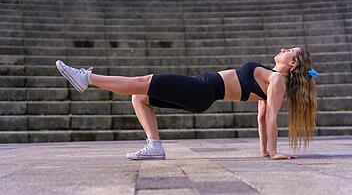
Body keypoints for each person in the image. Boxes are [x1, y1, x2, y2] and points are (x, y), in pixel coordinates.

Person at [55, 47, 318, 160]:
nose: (283, 50)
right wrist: (264, 150)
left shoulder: (276, 81)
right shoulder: (271, 79)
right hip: (201, 91)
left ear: (292, 64)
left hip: (202, 89)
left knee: (142, 81)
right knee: (140, 96)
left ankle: (86, 77)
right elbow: (261, 117)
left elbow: (270, 116)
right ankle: (155, 146)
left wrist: (273, 152)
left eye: (288, 52)